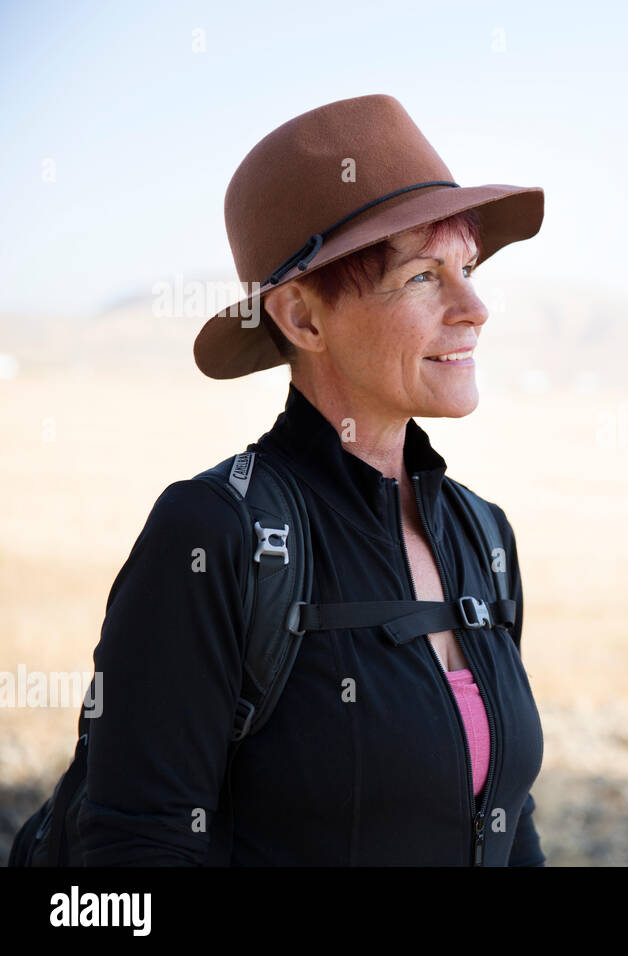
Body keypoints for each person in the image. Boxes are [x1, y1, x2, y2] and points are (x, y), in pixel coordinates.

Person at [76, 94, 547, 865]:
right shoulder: (213, 536)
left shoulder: (483, 536)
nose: (476, 308)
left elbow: (508, 818)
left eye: (467, 268)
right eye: (426, 277)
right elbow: (136, 848)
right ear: (303, 318)